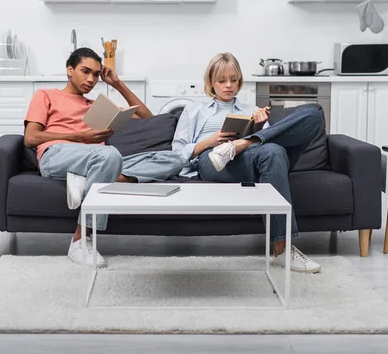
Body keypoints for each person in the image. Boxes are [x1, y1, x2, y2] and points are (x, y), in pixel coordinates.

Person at [24, 48, 183, 267]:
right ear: (69, 70)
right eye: (85, 71)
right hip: (57, 154)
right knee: (108, 154)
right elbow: (30, 138)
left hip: (100, 160)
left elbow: (149, 119)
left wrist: (117, 84)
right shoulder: (46, 95)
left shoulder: (96, 106)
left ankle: (91, 179)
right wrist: (79, 136)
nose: (91, 79)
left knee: (173, 160)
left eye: (96, 75)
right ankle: (80, 240)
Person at [171, 52, 323, 273]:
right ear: (211, 82)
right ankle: (282, 249)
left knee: (311, 117)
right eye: (222, 80)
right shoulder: (194, 111)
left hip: (251, 157)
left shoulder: (252, 111)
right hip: (211, 161)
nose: (228, 85)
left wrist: (259, 130)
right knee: (271, 150)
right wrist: (208, 142)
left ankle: (242, 143)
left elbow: (270, 147)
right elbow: (177, 153)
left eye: (233, 79)